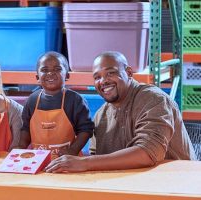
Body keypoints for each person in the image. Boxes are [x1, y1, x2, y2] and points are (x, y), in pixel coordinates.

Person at [45, 51, 197, 172]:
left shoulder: (154, 100)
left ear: (129, 72)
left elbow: (147, 153)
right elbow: (98, 159)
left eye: (110, 73)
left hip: (174, 187)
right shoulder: (101, 115)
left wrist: (84, 163)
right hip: (131, 187)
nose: (103, 81)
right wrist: (71, 156)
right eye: (97, 77)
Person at [17, 51, 94, 158]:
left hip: (68, 160)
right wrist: (21, 147)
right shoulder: (32, 100)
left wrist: (72, 150)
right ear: (37, 77)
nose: (50, 73)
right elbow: (26, 128)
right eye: (44, 70)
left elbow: (86, 130)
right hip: (38, 160)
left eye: (57, 69)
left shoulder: (75, 100)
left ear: (67, 75)